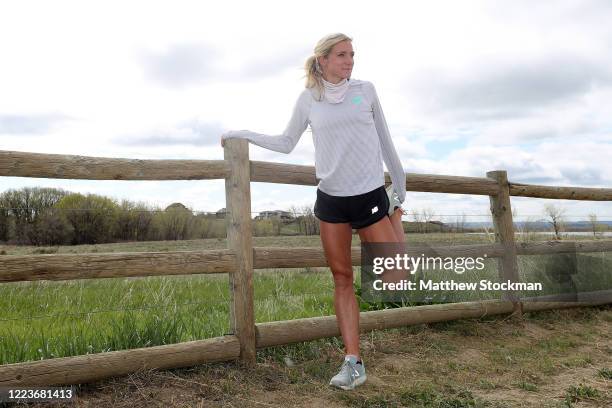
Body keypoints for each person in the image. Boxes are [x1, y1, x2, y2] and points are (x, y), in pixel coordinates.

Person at [221, 32, 407, 390]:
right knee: (342, 279)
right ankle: (353, 361)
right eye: (341, 55)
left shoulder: (365, 91)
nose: (349, 61)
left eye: (352, 54)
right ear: (322, 60)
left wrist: (399, 192)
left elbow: (386, 140)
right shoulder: (309, 99)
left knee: (395, 278)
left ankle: (395, 217)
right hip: (331, 200)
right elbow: (286, 142)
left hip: (369, 194)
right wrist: (240, 133)